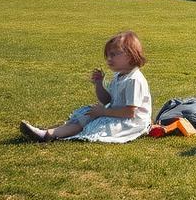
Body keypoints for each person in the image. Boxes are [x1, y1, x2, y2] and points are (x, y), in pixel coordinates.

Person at [19, 31, 152, 143]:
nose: (108, 60)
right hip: (117, 114)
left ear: (130, 55)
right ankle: (50, 132)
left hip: (132, 122)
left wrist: (103, 112)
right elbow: (107, 100)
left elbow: (130, 112)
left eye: (114, 55)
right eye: (107, 56)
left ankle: (49, 134)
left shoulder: (134, 80)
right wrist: (99, 84)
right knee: (87, 115)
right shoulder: (119, 76)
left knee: (91, 123)